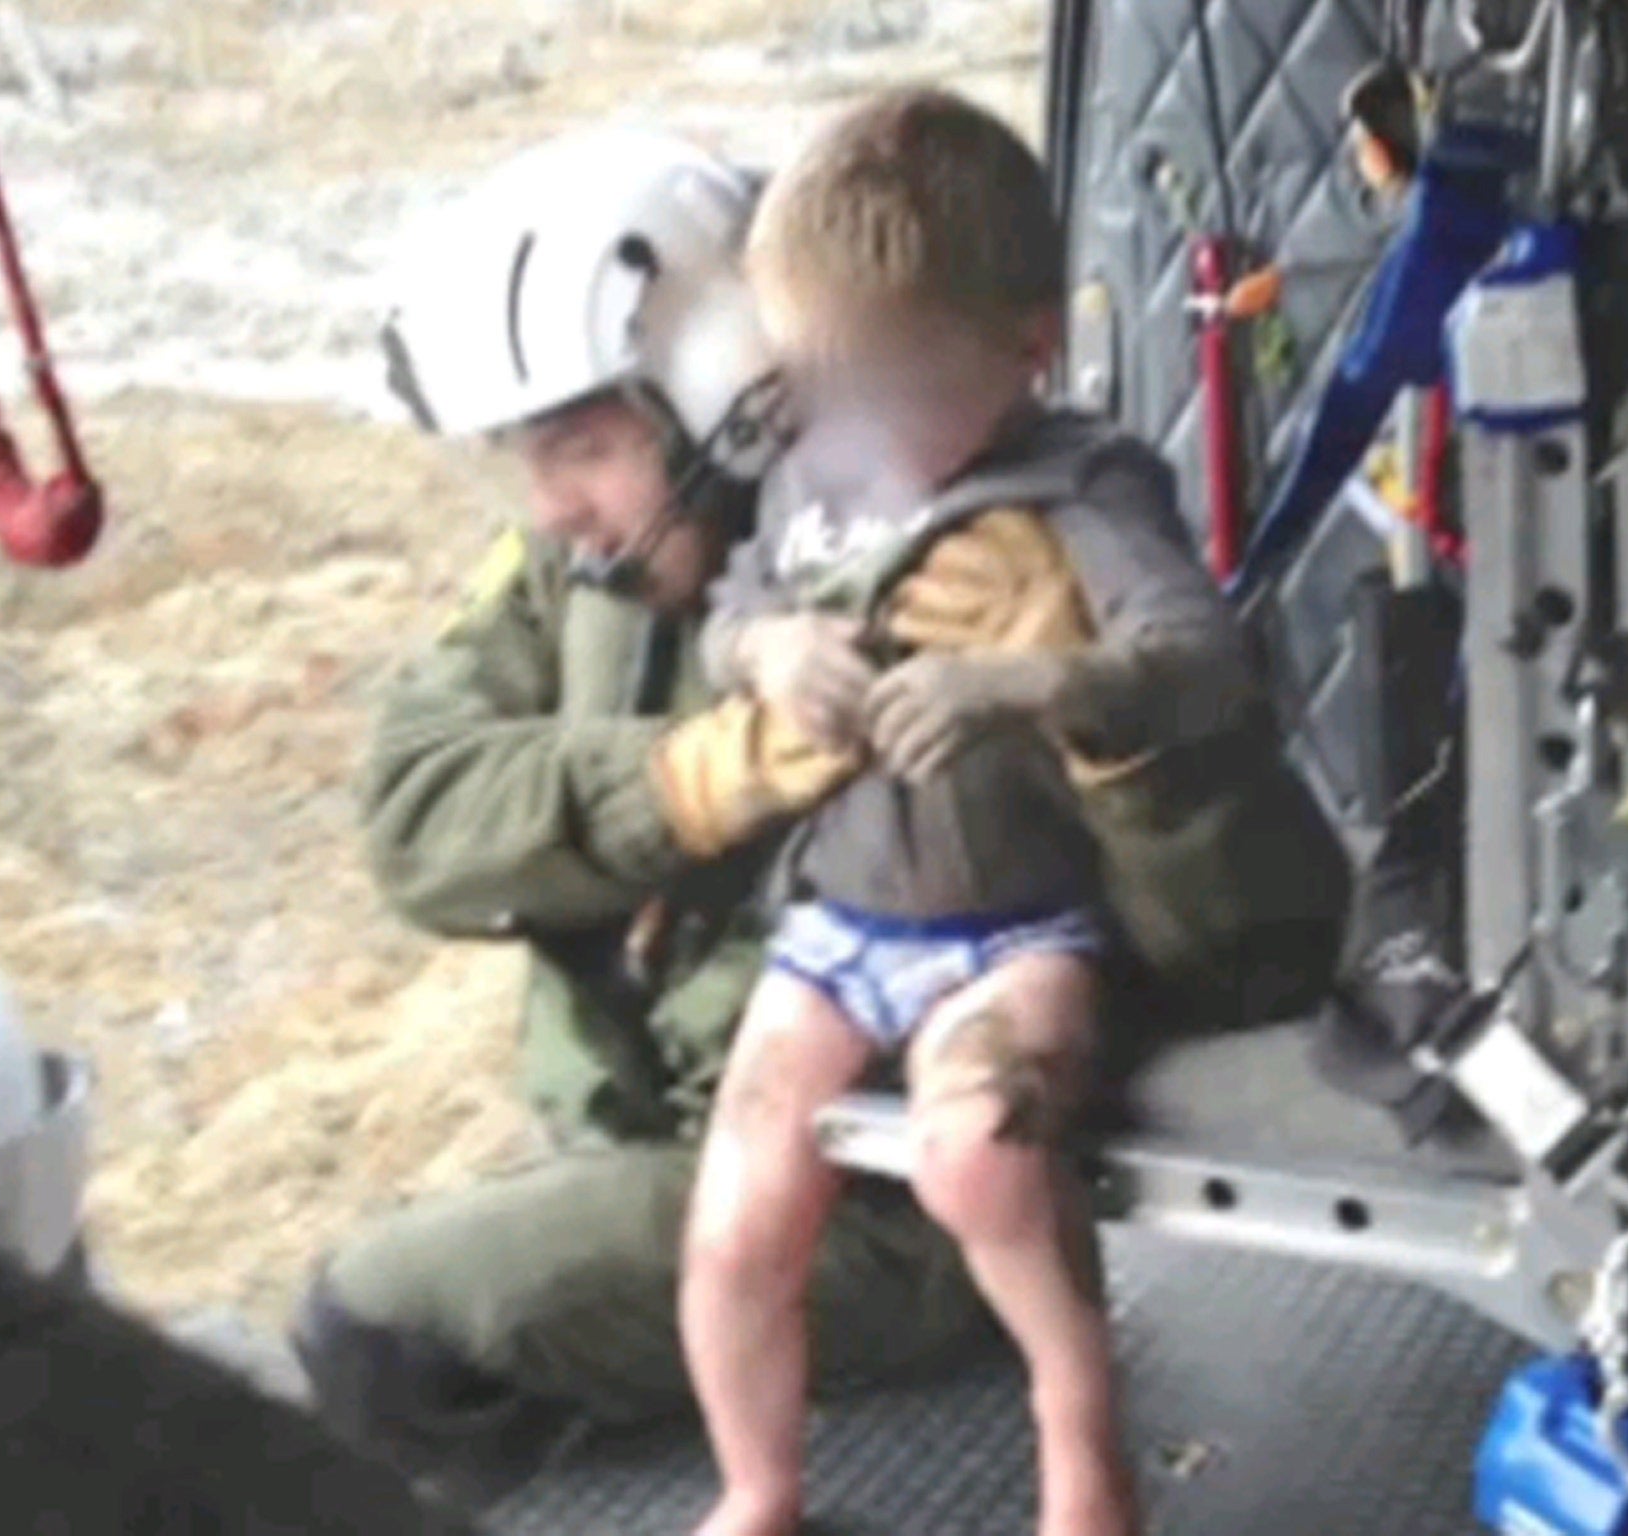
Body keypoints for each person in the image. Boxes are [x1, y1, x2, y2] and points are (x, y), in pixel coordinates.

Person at [291, 122, 1001, 1505]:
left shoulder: (925, 568)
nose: (555, 508)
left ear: (725, 394)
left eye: (584, 448)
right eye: (526, 460)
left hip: (877, 1207)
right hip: (668, 1156)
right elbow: (412, 812)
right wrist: (684, 779)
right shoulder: (586, 564)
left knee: (373, 1326)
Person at [679, 88, 1261, 1536]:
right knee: (741, 1198)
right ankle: (757, 1486)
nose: (852, 418)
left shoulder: (1082, 485)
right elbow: (727, 612)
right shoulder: (811, 471)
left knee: (980, 1159)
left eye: (889, 385)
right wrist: (766, 652)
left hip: (1019, 928)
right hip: (839, 922)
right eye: (828, 382)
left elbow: (1204, 661)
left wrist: (1013, 682)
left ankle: (1078, 1430)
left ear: (1025, 347)